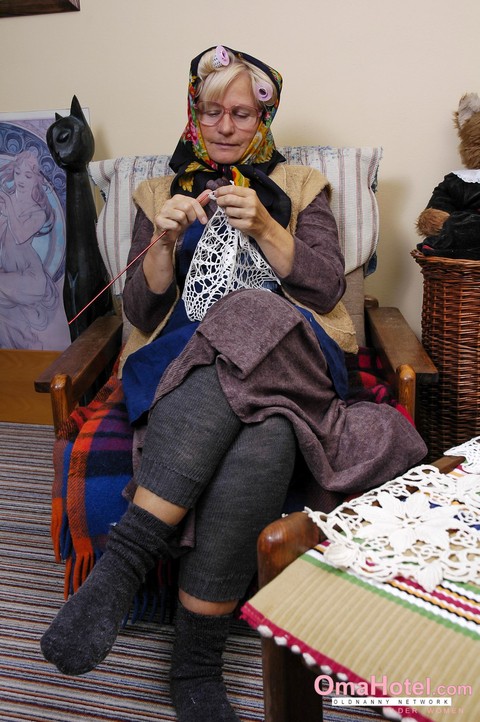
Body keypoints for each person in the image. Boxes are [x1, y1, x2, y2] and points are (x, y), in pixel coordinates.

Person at [40, 46, 427, 721]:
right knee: (271, 426)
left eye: (241, 113)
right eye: (211, 110)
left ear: (263, 118)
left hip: (298, 353)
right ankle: (195, 662)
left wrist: (271, 228)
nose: (224, 125)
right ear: (193, 113)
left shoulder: (303, 186)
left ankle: (125, 561)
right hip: (184, 365)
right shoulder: (158, 192)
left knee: (248, 307)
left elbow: (327, 286)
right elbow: (139, 312)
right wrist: (160, 245)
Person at [0, 150, 58, 348]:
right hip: (8, 273)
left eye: (28, 175)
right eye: (18, 173)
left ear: (37, 180)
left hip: (30, 277)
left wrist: (8, 205)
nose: (21, 179)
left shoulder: (38, 212)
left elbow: (19, 235)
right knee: (11, 327)